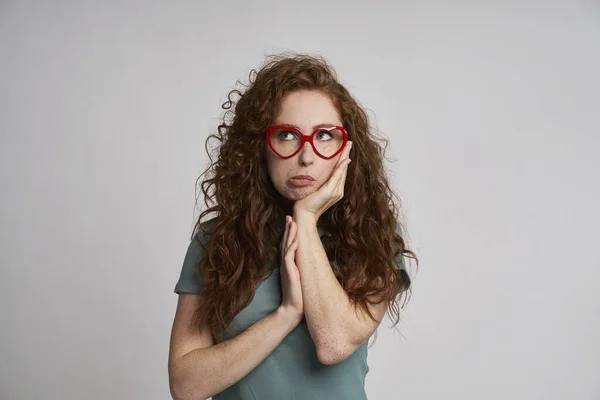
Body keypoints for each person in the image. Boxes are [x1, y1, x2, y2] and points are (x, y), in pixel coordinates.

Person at [168, 53, 418, 400]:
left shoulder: (373, 240)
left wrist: (306, 217)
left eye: (325, 135)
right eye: (287, 135)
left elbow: (334, 343)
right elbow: (186, 384)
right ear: (261, 147)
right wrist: (285, 315)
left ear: (346, 149)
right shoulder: (217, 240)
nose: (306, 155)